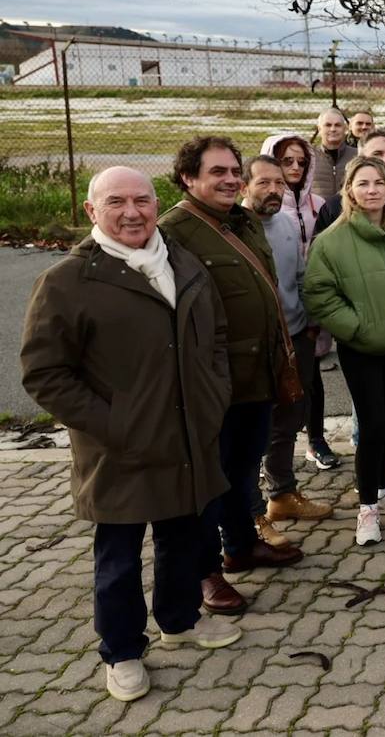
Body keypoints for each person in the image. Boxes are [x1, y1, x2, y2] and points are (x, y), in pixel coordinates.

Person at [20, 167, 242, 702]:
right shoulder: (67, 282)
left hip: (189, 437)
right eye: (115, 201)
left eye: (142, 200)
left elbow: (214, 336)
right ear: (93, 212)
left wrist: (212, 397)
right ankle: (121, 651)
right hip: (119, 449)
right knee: (118, 555)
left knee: (183, 539)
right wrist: (114, 423)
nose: (132, 212)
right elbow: (44, 373)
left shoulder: (181, 261)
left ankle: (179, 620)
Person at [159, 138, 301, 617]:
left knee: (242, 469)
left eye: (234, 170)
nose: (229, 179)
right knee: (209, 481)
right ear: (188, 178)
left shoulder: (239, 221)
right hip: (211, 382)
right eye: (216, 171)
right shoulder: (174, 231)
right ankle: (204, 572)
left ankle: (240, 546)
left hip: (255, 376)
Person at [303, 156, 385, 546]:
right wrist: (355, 327)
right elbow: (318, 294)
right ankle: (366, 508)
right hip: (362, 348)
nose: (372, 190)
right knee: (373, 425)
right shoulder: (332, 241)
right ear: (350, 191)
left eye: (379, 182)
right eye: (363, 183)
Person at [239, 156, 333, 546]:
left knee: (288, 422)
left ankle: (282, 494)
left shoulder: (289, 224)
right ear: (245, 186)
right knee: (250, 433)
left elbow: (299, 276)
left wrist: (310, 324)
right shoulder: (234, 229)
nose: (274, 190)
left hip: (295, 337)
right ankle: (251, 515)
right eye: (263, 183)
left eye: (279, 183)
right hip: (255, 346)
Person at [311, 108, 356, 199]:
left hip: (350, 211)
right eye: (328, 125)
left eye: (338, 125)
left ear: (345, 128)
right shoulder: (310, 156)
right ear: (319, 129)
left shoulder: (357, 155)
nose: (333, 129)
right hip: (318, 212)